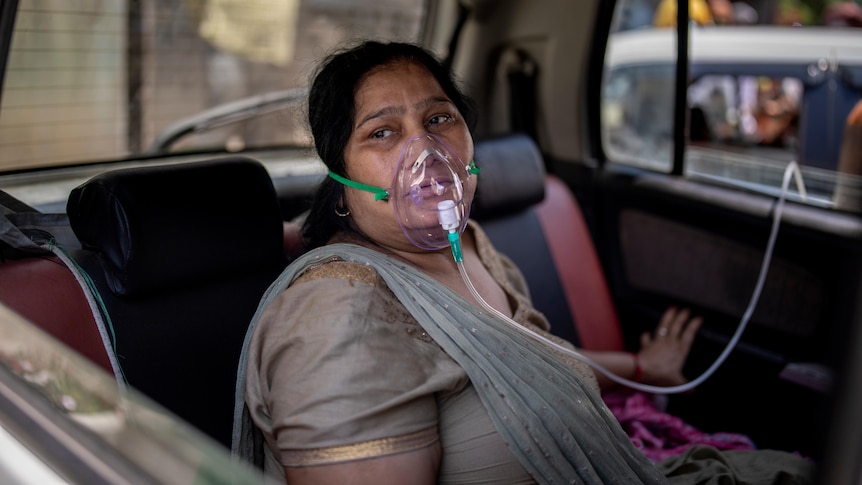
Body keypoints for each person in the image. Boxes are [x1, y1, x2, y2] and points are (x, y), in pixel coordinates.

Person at [232, 40, 815, 484]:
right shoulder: (340, 316)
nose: (426, 154)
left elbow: (525, 360)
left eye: (439, 120)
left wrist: (641, 365)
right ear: (341, 185)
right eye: (383, 133)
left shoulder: (471, 248)